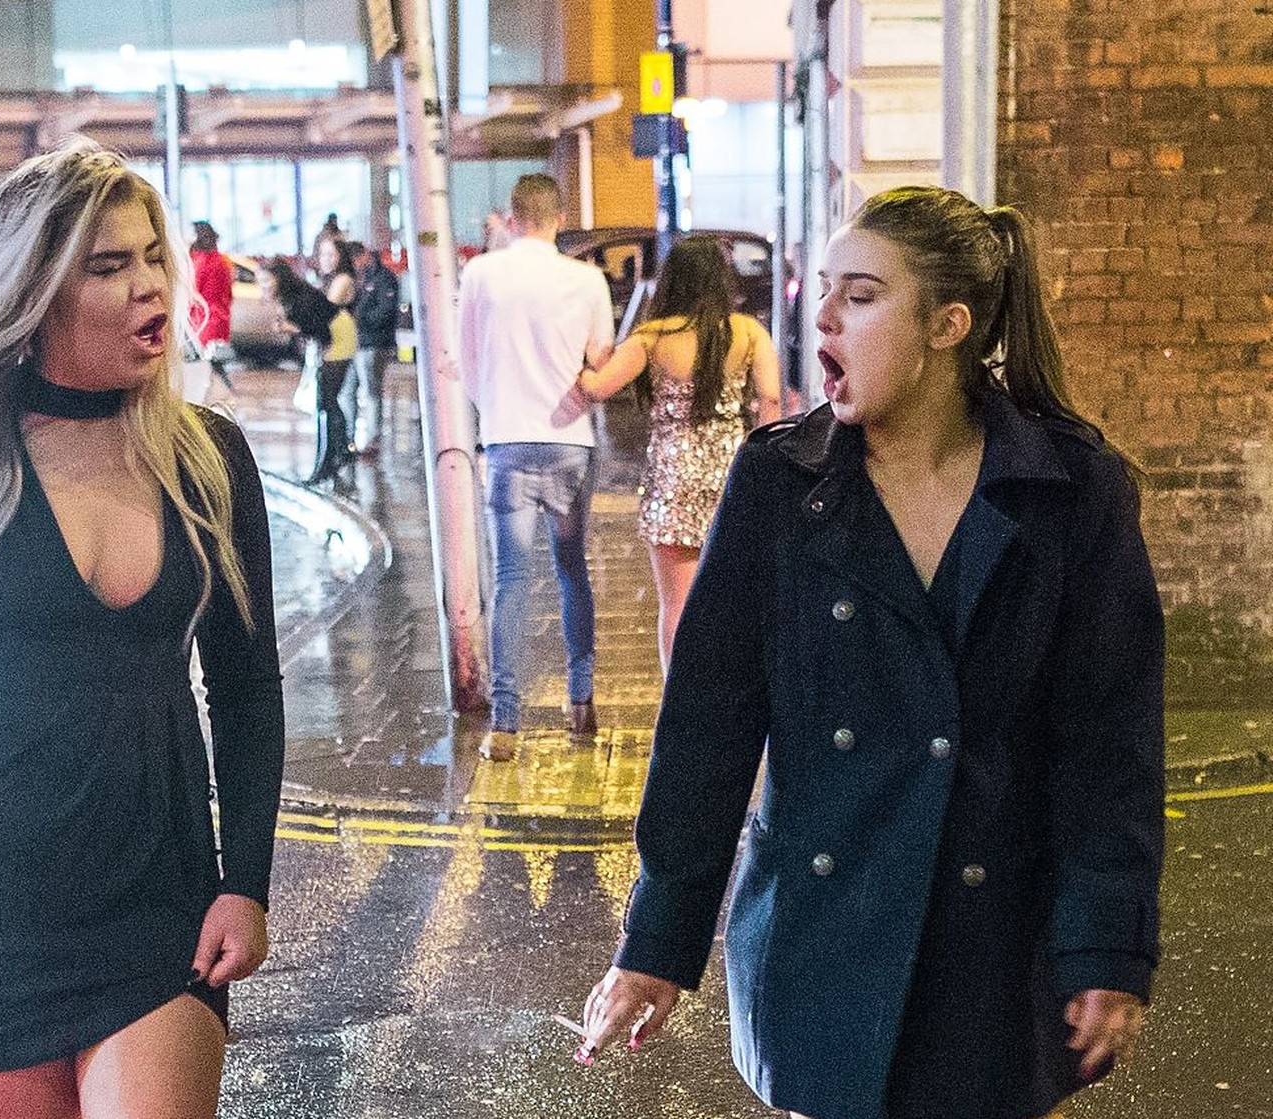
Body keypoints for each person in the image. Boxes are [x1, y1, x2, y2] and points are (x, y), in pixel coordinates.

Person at [580, 185, 1164, 1119]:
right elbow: (707, 729)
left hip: (999, 949)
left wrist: (1106, 947)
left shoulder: (1071, 490)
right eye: (823, 290)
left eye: (860, 294)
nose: (822, 316)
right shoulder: (778, 483)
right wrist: (657, 941)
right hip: (820, 942)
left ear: (948, 324)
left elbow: (1109, 743)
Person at [0, 139, 286, 1118]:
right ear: (36, 292)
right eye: (108, 265)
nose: (148, 286)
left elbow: (248, 687)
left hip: (158, 894)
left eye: (153, 257)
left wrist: (244, 879)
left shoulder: (209, 458)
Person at [456, 173, 615, 762]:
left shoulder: (481, 274)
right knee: (572, 571)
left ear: (514, 215)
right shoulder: (587, 279)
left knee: (511, 581)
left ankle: (506, 723)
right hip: (571, 441)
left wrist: (497, 408)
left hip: (506, 443)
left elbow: (468, 362)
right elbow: (598, 363)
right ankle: (582, 700)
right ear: (559, 216)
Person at [571, 235, 781, 672]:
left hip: (674, 476)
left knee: (677, 604)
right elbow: (772, 403)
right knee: (735, 603)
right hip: (732, 475)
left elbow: (597, 388)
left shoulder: (651, 338)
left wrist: (581, 359)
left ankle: (679, 706)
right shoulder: (749, 333)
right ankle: (733, 696)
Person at [263, 258, 352, 483]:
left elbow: (320, 329)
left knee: (325, 402)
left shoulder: (297, 298)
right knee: (327, 402)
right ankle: (339, 455)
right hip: (332, 337)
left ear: (278, 279)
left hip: (338, 338)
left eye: (266, 280)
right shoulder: (290, 297)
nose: (262, 285)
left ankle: (327, 464)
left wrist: (292, 328)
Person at [345, 241, 399, 454]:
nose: (357, 265)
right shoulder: (359, 278)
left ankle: (372, 439)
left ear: (365, 255)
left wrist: (360, 321)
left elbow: (386, 310)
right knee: (348, 391)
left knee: (371, 390)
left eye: (358, 260)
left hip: (374, 342)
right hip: (356, 343)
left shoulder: (383, 278)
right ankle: (349, 439)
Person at [189, 220, 235, 385]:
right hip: (220, 318)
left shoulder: (200, 261)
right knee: (213, 361)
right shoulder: (222, 261)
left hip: (203, 320)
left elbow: (193, 290)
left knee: (203, 362)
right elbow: (229, 293)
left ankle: (217, 393)